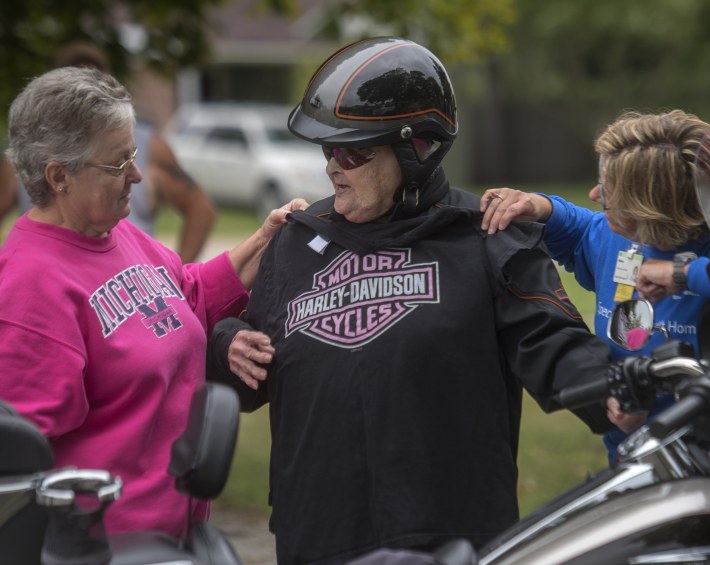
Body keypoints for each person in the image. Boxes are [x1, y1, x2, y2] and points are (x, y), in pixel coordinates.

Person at [206, 37, 614, 565]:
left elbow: (555, 344)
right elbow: (245, 369)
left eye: (352, 151)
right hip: (318, 535)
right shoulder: (296, 243)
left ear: (417, 148)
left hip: (448, 540)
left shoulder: (487, 237)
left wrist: (611, 391)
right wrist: (226, 343)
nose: (333, 166)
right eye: (328, 150)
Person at [0, 66, 305, 539]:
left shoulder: (118, 234)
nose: (138, 175)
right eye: (118, 164)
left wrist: (266, 238)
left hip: (175, 532)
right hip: (109, 545)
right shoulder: (29, 287)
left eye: (133, 155)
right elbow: (16, 462)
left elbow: (187, 294)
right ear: (59, 176)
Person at [480, 109, 710, 465]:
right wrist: (539, 207)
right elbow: (579, 229)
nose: (593, 194)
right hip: (638, 465)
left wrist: (682, 274)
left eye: (608, 191)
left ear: (651, 208)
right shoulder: (617, 236)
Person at [0, 40, 217, 263]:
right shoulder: (25, 156)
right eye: (118, 163)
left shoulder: (151, 146)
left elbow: (201, 209)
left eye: (98, 94)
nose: (135, 174)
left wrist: (175, 278)